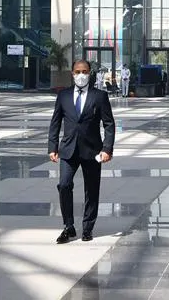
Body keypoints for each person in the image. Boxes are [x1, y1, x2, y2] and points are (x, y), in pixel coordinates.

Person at [48, 60, 116, 244]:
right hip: (68, 150)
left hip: (92, 150)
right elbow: (55, 122)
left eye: (84, 71)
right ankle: (68, 226)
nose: (81, 75)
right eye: (77, 71)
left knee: (92, 190)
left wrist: (107, 149)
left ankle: (87, 228)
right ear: (72, 73)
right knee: (64, 185)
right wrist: (52, 147)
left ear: (89, 73)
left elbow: (109, 124)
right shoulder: (63, 96)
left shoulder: (99, 96)